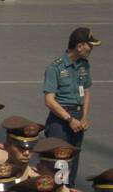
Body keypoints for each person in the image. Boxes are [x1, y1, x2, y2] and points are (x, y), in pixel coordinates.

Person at [43, 27, 98, 180]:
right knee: (60, 167)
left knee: (72, 165)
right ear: (79, 46)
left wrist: (84, 117)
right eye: (90, 45)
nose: (91, 49)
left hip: (78, 119)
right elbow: (49, 100)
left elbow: (86, 91)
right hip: (60, 121)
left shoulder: (84, 65)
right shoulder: (55, 68)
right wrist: (69, 119)